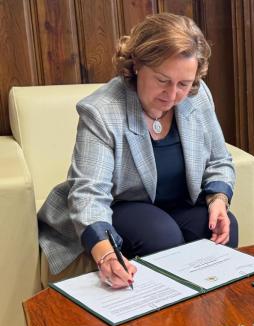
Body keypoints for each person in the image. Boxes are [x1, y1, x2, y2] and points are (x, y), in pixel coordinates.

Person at [38, 13, 238, 289]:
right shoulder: (102, 110)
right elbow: (89, 193)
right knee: (161, 236)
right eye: (162, 80)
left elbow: (219, 160)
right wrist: (106, 253)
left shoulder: (197, 95)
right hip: (120, 205)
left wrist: (218, 200)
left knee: (222, 226)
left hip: (178, 203)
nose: (172, 95)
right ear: (136, 65)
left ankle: (208, 318)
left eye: (184, 83)